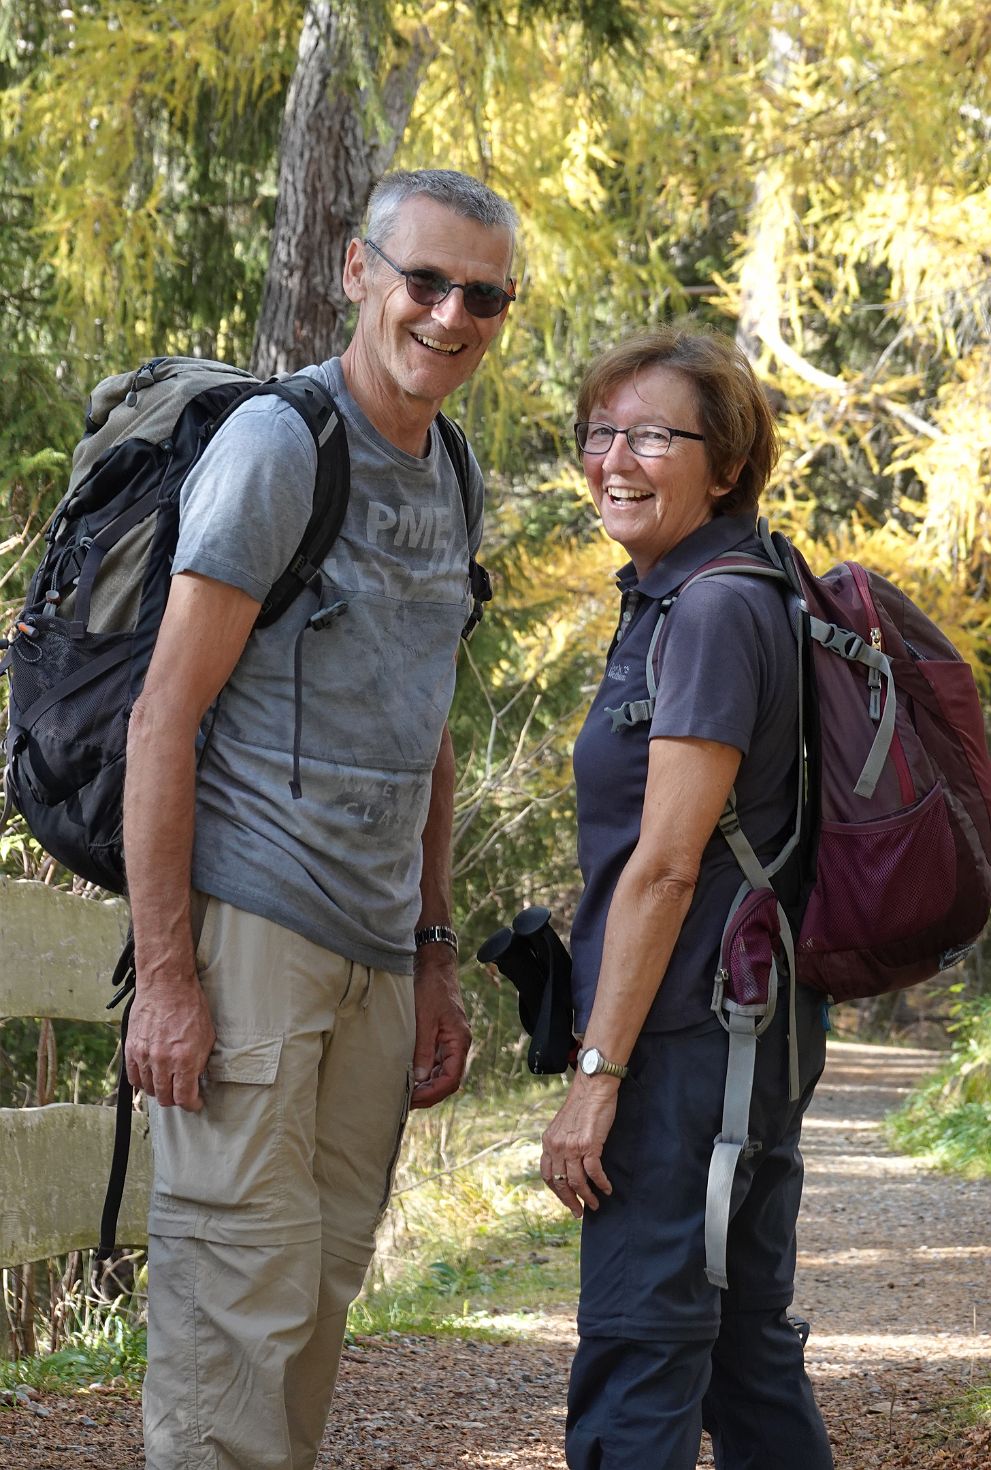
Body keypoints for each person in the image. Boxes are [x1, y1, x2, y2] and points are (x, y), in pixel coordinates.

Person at [122, 168, 518, 1470]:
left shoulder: (452, 466)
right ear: (358, 271)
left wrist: (435, 947)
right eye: (425, 280)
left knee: (316, 1286)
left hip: (376, 950)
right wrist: (169, 977)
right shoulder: (279, 446)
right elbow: (163, 717)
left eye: (483, 296)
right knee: (235, 1288)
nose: (450, 315)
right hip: (253, 929)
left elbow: (428, 735)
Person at [540, 323, 834, 1469]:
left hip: (687, 1048)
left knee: (642, 1351)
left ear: (726, 464)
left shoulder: (711, 609)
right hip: (744, 1036)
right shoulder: (702, 592)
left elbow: (667, 867)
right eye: (599, 432)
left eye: (653, 435)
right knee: (741, 1361)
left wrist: (596, 1079)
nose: (615, 457)